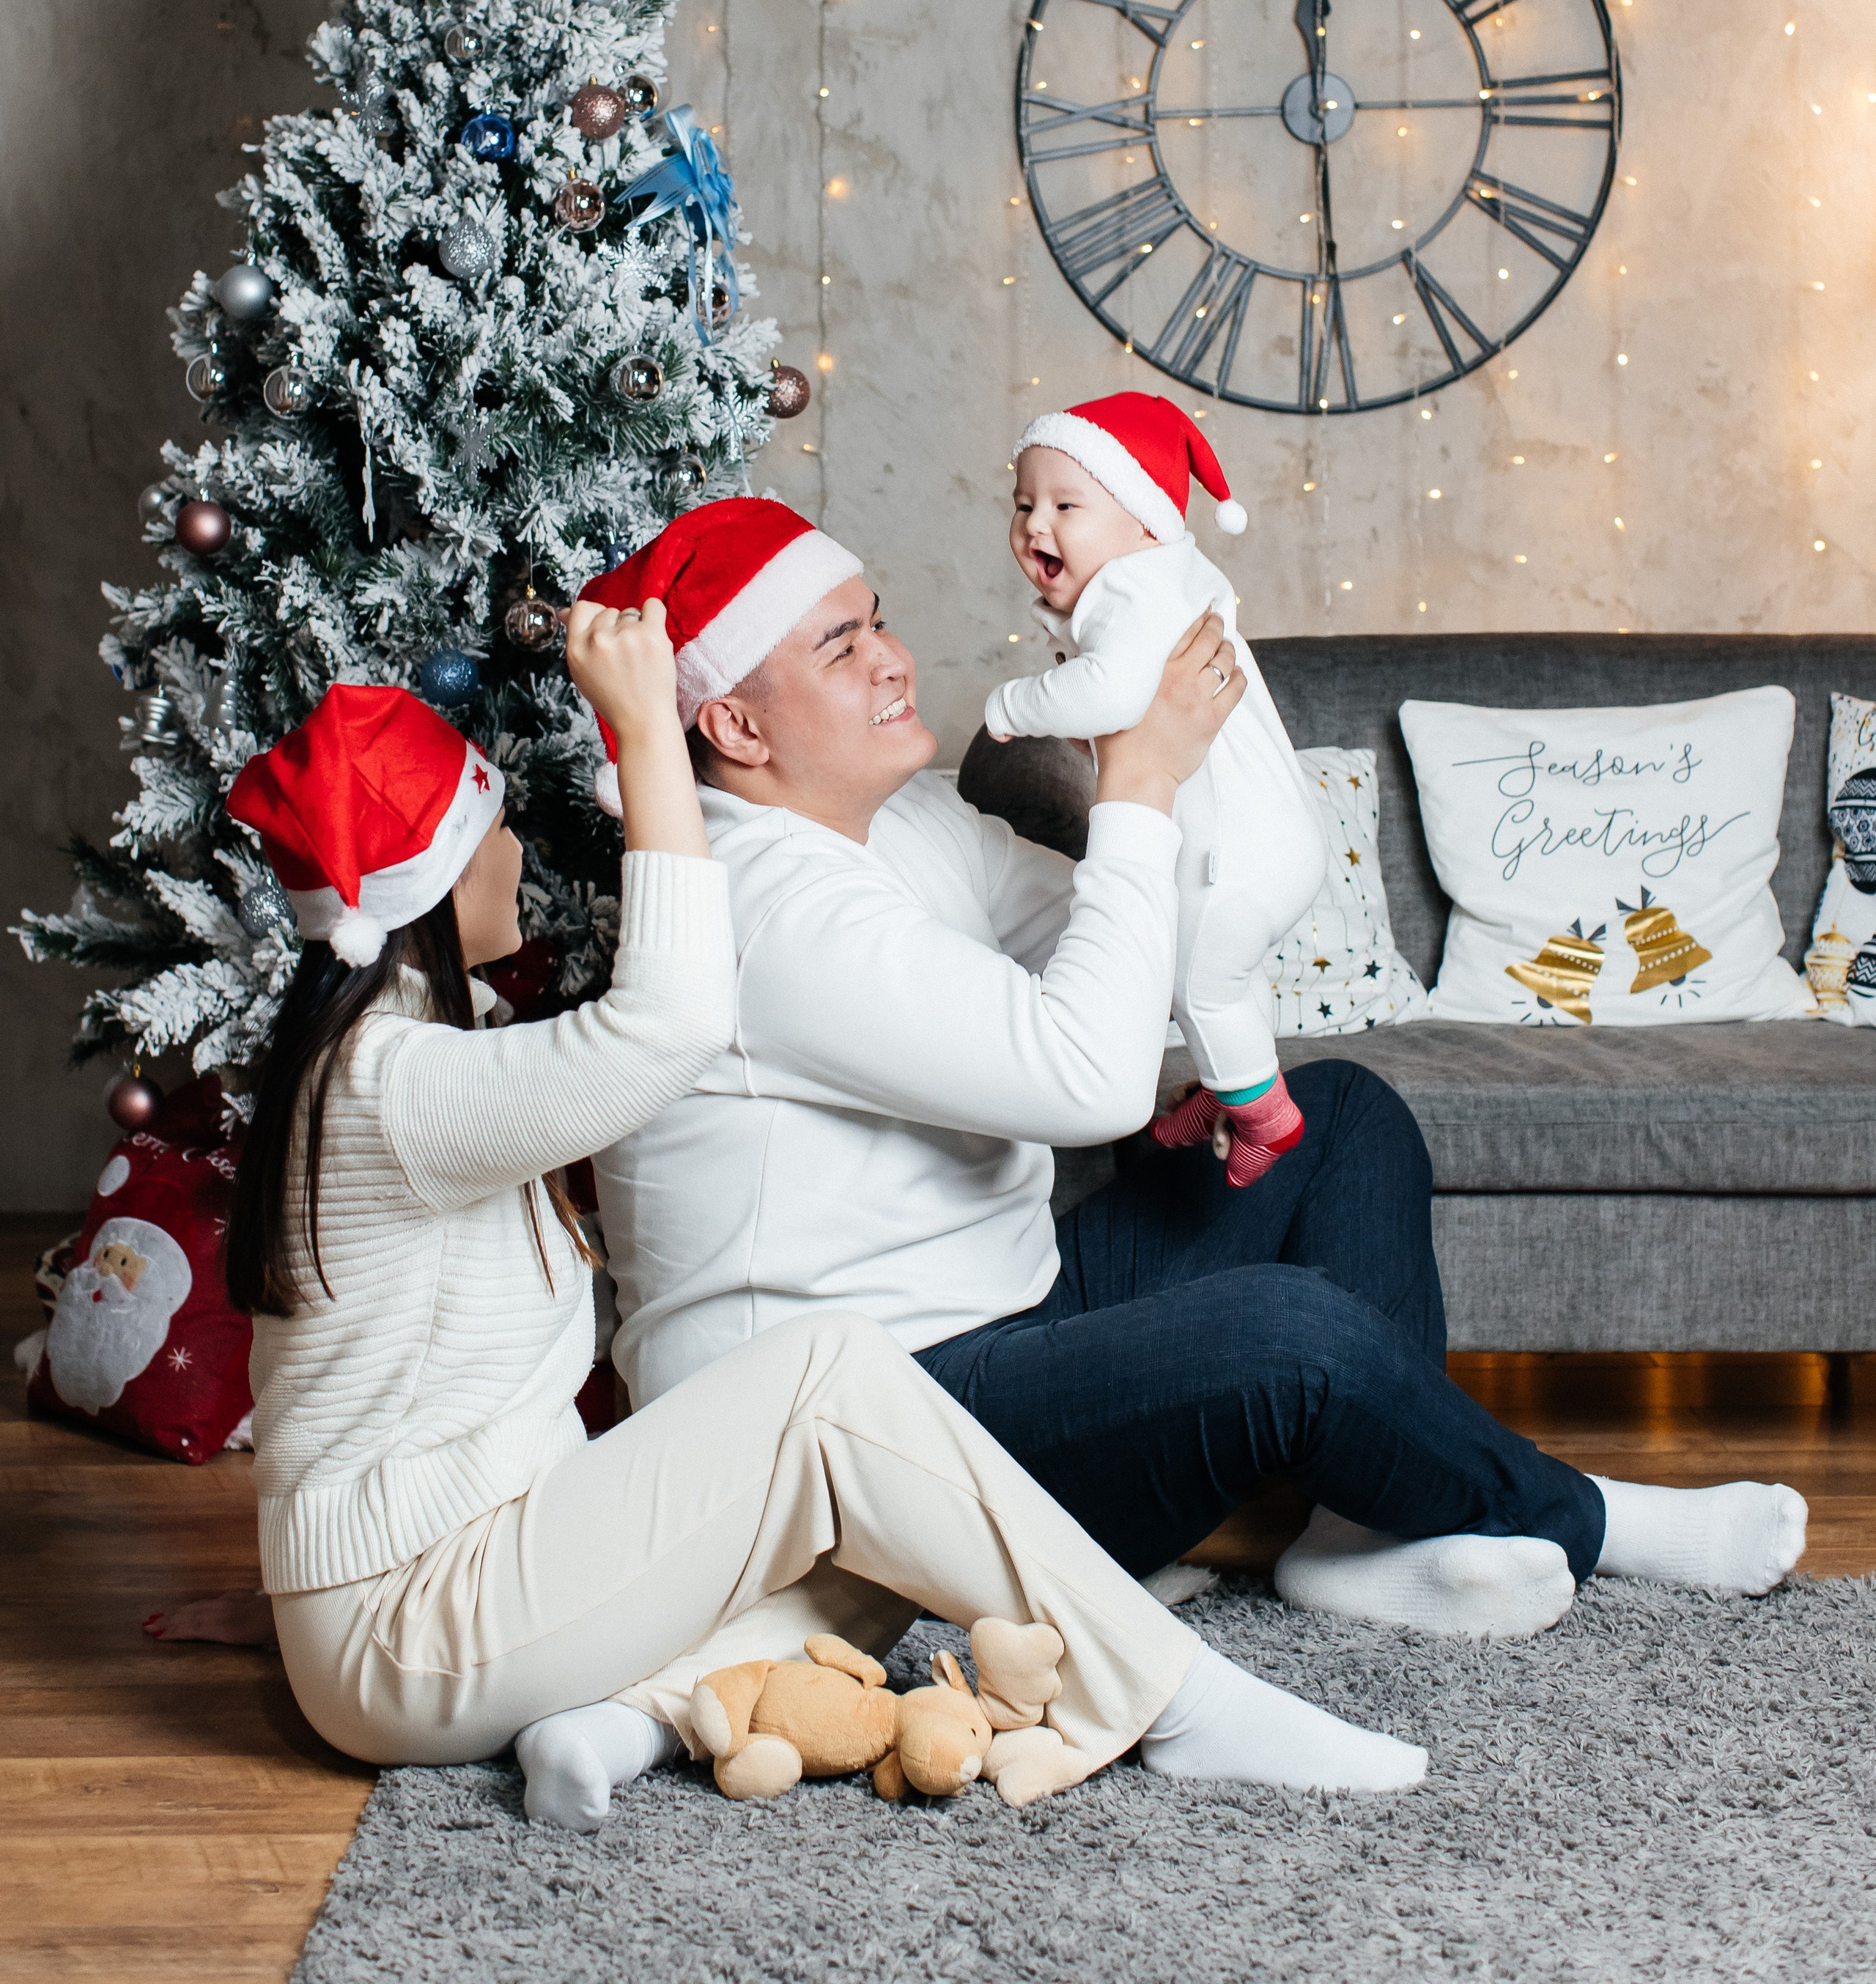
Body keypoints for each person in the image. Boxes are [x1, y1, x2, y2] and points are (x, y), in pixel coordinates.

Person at [219, 607, 1433, 1834]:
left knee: (875, 1522)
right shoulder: (393, 1087)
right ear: (429, 886)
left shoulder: (410, 1050)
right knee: (831, 1377)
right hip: (412, 1637)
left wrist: (291, 1594)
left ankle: (636, 1715)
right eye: (492, 831)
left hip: (465, 1586)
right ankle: (1171, 1700)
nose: (518, 847)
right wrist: (646, 732)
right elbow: (672, 1023)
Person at [588, 497, 1810, 1645]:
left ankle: (1356, 1536)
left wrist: (1188, 759)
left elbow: (1135, 948)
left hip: (1004, 1315)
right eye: (841, 646)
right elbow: (1087, 1078)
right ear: (736, 726)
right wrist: (1141, 775)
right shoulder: (761, 908)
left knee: (1338, 1115)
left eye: (880, 621)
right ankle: (1588, 1517)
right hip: (865, 1446)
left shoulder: (904, 826)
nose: (895, 660)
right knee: (1288, 1337)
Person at [983, 390, 1327, 1187]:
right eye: (1025, 504)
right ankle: (1219, 1087)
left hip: (1237, 857)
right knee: (1216, 974)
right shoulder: (1163, 582)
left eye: (1067, 504)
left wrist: (1014, 703)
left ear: (1142, 523)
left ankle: (1266, 1119)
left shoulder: (1131, 589)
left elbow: (1109, 695)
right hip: (1262, 844)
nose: (1037, 525)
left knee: (1198, 985)